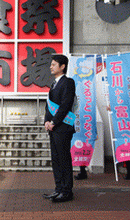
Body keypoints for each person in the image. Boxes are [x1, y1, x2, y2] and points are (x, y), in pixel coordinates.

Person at [43, 54, 76, 203]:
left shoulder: (68, 82)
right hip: (53, 128)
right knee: (55, 159)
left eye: (54, 64)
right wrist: (46, 121)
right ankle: (58, 189)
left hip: (63, 127)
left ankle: (67, 191)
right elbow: (48, 106)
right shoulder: (53, 84)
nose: (51, 66)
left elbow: (65, 105)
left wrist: (54, 122)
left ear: (62, 66)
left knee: (63, 159)